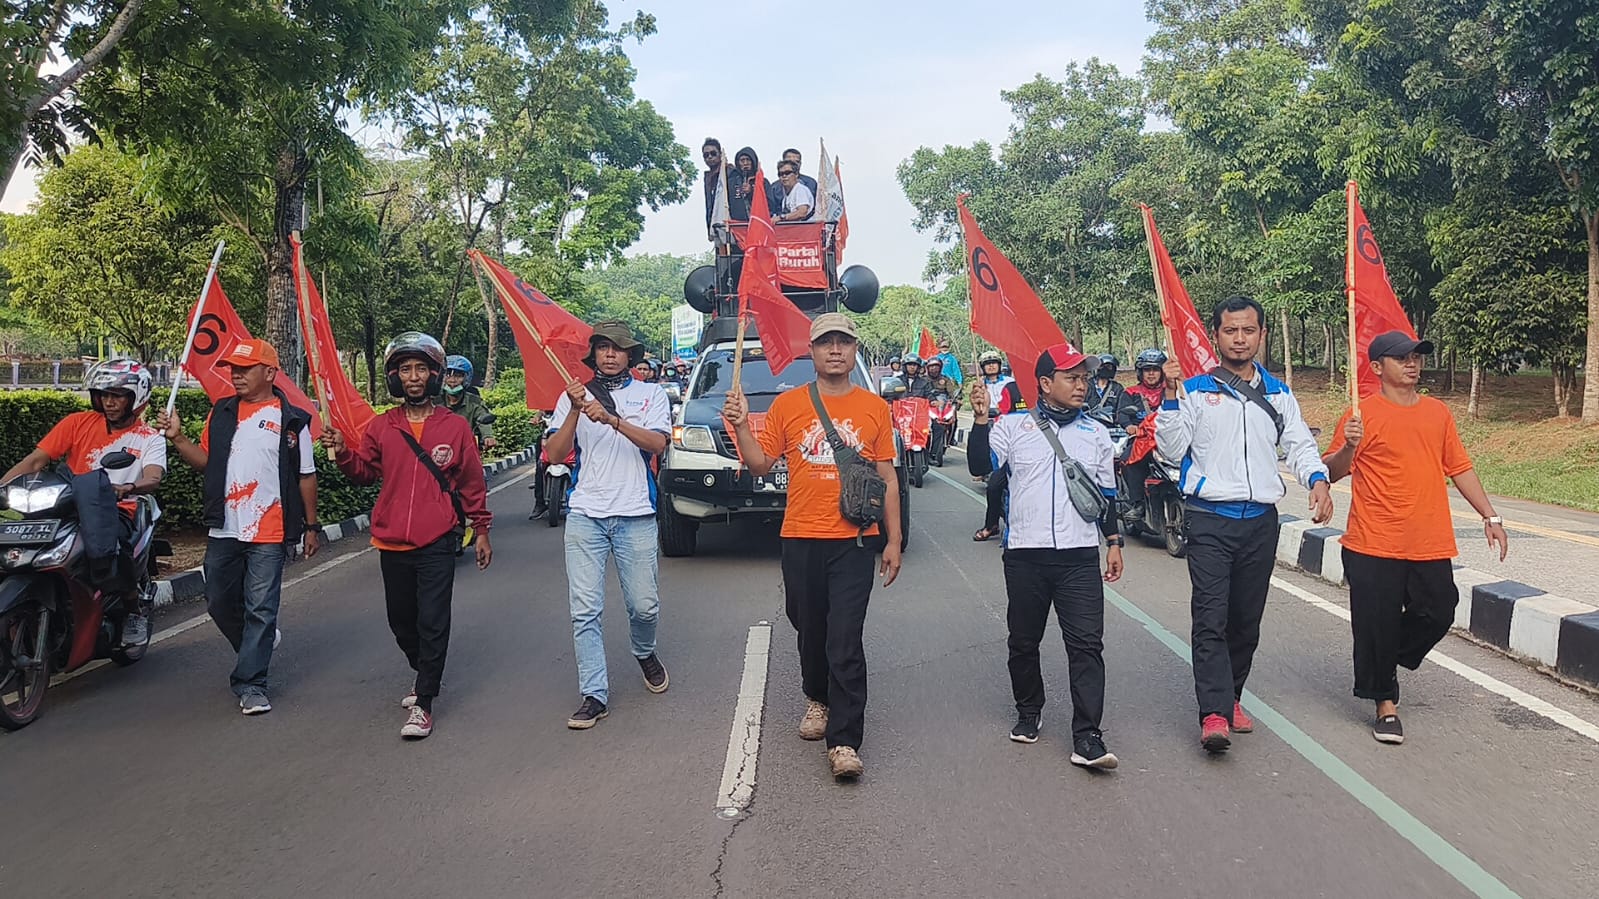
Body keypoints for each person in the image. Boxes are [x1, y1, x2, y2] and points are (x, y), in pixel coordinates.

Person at [723, 312, 903, 780]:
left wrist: (894, 540)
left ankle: (844, 741)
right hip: (800, 536)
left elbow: (887, 478)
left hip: (855, 541)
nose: (836, 350)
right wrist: (741, 426)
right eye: (827, 343)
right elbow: (761, 465)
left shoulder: (874, 408)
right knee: (808, 628)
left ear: (855, 349)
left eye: (844, 342)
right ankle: (817, 697)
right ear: (812, 352)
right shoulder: (789, 406)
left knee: (845, 638)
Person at [1155, 295, 1333, 753]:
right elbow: (1172, 451)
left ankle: (1232, 695)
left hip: (1260, 522)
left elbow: (1298, 443)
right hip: (1210, 518)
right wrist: (1171, 397)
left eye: (1248, 330)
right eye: (1230, 330)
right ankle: (1213, 712)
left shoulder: (1278, 392)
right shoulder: (1194, 390)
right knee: (1210, 617)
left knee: (1245, 620)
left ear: (1261, 335)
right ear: (1216, 335)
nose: (1239, 338)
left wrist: (1317, 480)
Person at [1323, 331, 1509, 745]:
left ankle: (1384, 658)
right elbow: (1333, 471)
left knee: (1439, 610)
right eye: (1401, 357)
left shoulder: (1437, 413)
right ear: (1376, 367)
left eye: (1417, 357)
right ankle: (1384, 704)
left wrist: (1489, 515)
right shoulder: (1361, 414)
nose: (1412, 363)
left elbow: (1459, 466)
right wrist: (1350, 446)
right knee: (1376, 623)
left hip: (1428, 539)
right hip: (1373, 541)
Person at [323, 332, 493, 740]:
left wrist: (481, 528)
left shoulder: (454, 427)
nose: (413, 377)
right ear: (395, 377)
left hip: (438, 539)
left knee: (433, 620)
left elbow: (471, 483)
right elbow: (364, 472)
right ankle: (423, 673)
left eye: (421, 369)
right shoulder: (382, 426)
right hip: (391, 539)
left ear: (434, 375)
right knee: (401, 621)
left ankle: (425, 703)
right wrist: (343, 452)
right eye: (405, 369)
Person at [966, 345, 1122, 769]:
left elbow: (1104, 496)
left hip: (1078, 558)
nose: (1081, 384)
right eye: (1071, 377)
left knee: (1087, 646)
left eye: (1084, 377)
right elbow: (980, 464)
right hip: (1025, 557)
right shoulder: (1013, 427)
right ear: (1045, 383)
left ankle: (1088, 736)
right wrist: (981, 419)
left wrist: (1113, 542)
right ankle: (1029, 709)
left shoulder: (1096, 433)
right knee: (1023, 640)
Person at [159, 339, 320, 716]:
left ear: (268, 372)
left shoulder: (292, 419)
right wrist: (178, 438)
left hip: (270, 529)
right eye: (232, 368)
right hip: (225, 527)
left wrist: (311, 526)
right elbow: (208, 464)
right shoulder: (222, 412)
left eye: (244, 369)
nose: (235, 375)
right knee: (217, 601)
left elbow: (306, 476)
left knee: (261, 608)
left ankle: (251, 684)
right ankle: (257, 643)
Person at [542, 321, 673, 730]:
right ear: (593, 354)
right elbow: (555, 454)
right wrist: (574, 412)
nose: (610, 355)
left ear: (630, 356)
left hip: (635, 514)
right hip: (585, 515)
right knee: (585, 610)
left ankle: (644, 651)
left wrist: (613, 420)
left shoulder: (650, 395)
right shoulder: (573, 396)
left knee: (644, 605)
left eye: (617, 349)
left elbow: (658, 444)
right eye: (602, 348)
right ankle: (593, 694)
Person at [3, 358, 166, 645]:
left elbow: (153, 477)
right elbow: (35, 461)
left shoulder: (149, 438)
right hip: (67, 504)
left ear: (136, 398)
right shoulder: (77, 423)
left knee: (118, 550)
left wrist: (127, 486)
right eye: (104, 395)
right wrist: (3, 485)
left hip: (117, 509)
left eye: (117, 396)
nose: (109, 402)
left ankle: (133, 611)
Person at [970, 377, 1027, 542]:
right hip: (1013, 457)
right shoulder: (1012, 388)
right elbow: (979, 466)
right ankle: (991, 525)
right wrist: (981, 417)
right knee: (994, 485)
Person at [1116, 349, 1170, 522]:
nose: (1152, 373)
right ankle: (1137, 504)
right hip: (1142, 440)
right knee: (1129, 460)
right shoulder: (1130, 393)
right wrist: (1130, 426)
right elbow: (1121, 415)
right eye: (1147, 370)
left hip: (1169, 439)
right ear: (1140, 372)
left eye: (1155, 369)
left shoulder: (1171, 390)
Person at [442, 355, 497, 452]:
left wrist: (488, 436)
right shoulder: (434, 401)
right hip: (438, 448)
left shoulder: (474, 401)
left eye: (458, 376)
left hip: (466, 449)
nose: (452, 380)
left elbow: (483, 417)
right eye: (448, 375)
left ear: (467, 378)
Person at [702, 137, 733, 237]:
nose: (710, 157)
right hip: (716, 227)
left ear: (720, 154)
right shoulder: (708, 177)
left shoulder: (730, 172)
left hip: (731, 226)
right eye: (706, 155)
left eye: (713, 153)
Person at [729, 147, 767, 222]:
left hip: (758, 224)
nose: (745, 163)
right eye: (742, 160)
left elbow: (769, 204)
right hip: (737, 227)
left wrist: (752, 192)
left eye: (748, 160)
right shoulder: (731, 182)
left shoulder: (763, 181)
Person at [1085, 354, 1124, 422]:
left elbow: (1121, 409)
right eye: (1102, 366)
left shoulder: (1117, 388)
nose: (1105, 369)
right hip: (1088, 424)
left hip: (1110, 425)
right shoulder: (1086, 385)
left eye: (1109, 367)